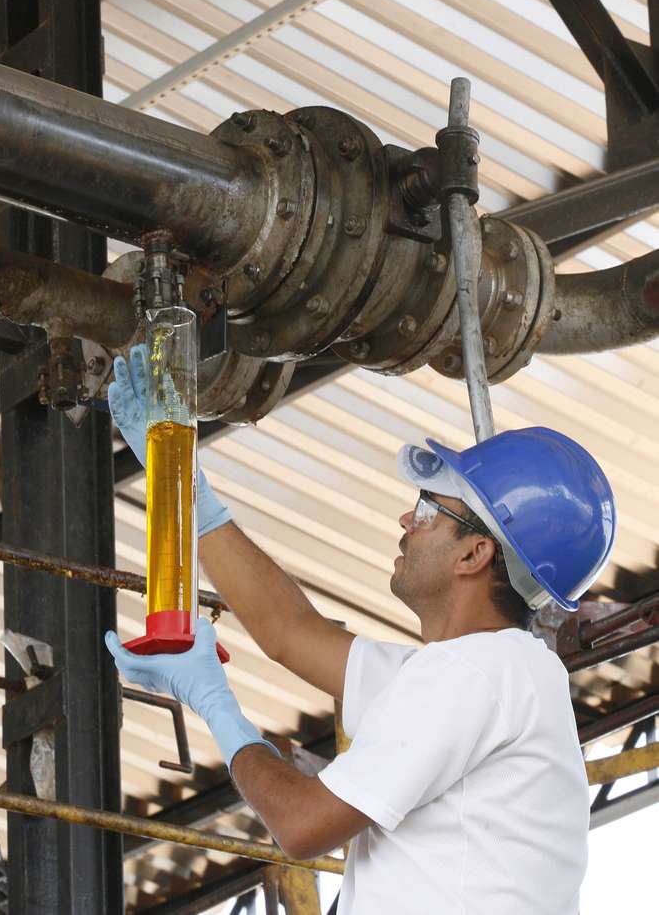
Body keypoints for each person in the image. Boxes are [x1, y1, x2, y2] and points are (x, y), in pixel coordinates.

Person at [105, 345, 616, 914]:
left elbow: (301, 825)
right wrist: (187, 492)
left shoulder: (481, 673)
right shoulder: (481, 677)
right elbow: (287, 630)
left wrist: (215, 705)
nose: (406, 521)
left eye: (427, 511)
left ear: (474, 554)